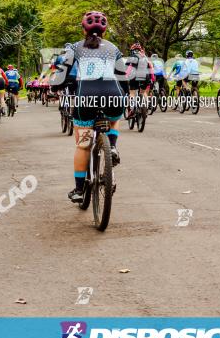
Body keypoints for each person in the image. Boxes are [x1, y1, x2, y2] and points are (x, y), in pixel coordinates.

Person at [64, 11, 125, 203]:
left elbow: (63, 74)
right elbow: (123, 76)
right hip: (112, 94)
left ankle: (80, 190)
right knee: (114, 120)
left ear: (83, 29)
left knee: (83, 146)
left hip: (86, 97)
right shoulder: (113, 48)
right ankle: (112, 147)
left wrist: (58, 87)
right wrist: (126, 97)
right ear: (105, 31)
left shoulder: (74, 47)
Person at [125, 42, 154, 116]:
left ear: (132, 50)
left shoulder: (132, 56)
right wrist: (152, 78)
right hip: (145, 76)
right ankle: (145, 108)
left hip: (134, 76)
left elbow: (128, 68)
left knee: (132, 93)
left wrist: (125, 76)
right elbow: (150, 67)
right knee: (143, 92)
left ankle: (131, 109)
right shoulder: (145, 57)